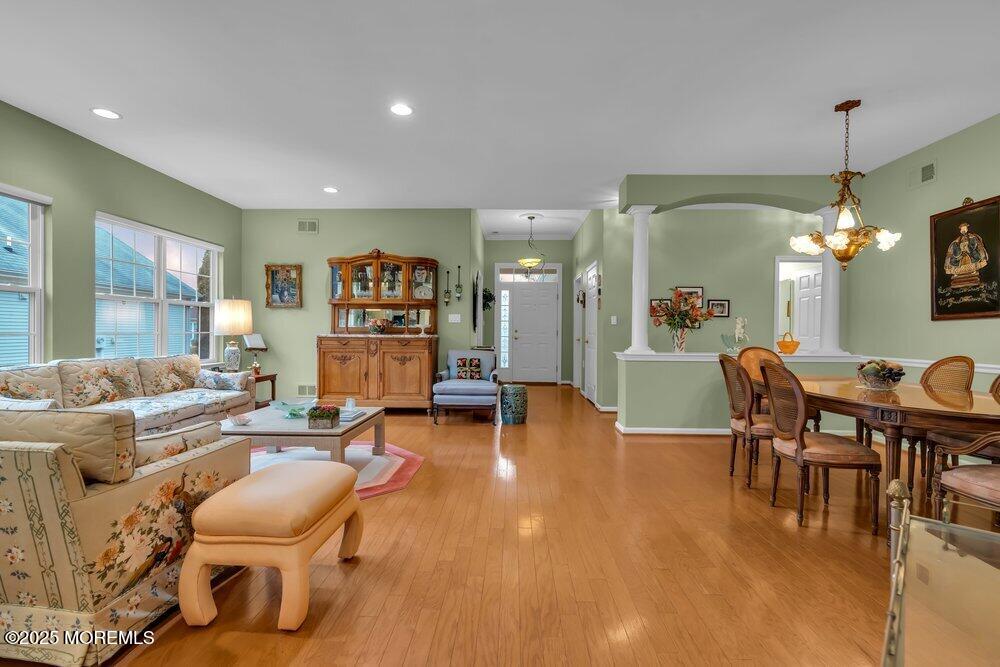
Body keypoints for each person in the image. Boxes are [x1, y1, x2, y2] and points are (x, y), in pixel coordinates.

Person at [944, 221, 988, 287]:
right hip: (960, 253)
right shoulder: (958, 239)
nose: (963, 230)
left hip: (970, 251)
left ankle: (973, 271)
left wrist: (967, 248)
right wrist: (960, 250)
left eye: (964, 229)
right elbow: (954, 246)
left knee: (974, 255)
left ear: (967, 229)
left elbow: (973, 245)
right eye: (962, 229)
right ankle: (957, 273)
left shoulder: (972, 236)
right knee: (953, 259)